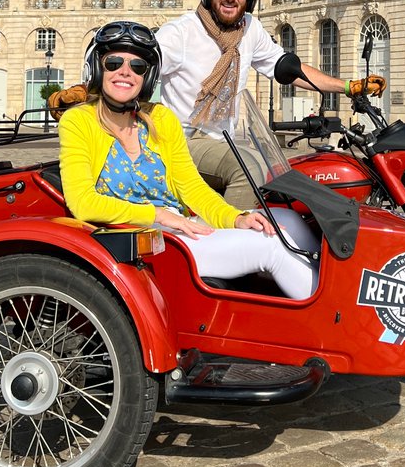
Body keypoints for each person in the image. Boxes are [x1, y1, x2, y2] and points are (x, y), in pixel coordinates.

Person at [51, 0, 386, 209]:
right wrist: (85, 91)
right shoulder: (181, 33)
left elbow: (288, 68)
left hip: (225, 140)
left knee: (286, 176)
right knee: (251, 168)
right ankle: (220, 242)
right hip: (180, 140)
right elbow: (131, 67)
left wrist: (348, 86)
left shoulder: (250, 31)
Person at [58, 21, 318, 299]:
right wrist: (158, 215)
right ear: (97, 68)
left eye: (138, 67)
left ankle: (344, 301)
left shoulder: (159, 118)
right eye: (114, 63)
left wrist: (235, 217)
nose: (125, 72)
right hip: (142, 240)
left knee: (288, 220)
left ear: (147, 76)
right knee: (271, 248)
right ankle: (337, 326)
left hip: (178, 226)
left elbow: (191, 186)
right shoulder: (78, 121)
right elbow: (83, 203)